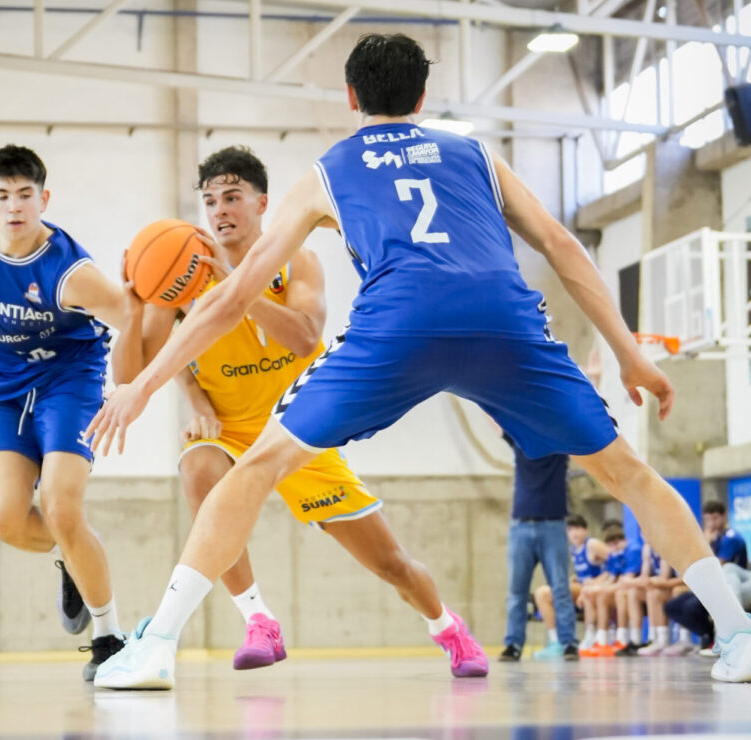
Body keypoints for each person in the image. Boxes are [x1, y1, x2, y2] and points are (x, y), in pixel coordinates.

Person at [87, 33, 751, 688]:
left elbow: (232, 295)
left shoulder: (329, 170)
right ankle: (740, 635)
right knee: (629, 474)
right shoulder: (476, 154)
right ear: (423, 95)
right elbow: (558, 245)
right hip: (504, 321)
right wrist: (628, 352)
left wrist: (144, 385)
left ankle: (159, 645)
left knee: (256, 466)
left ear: (351, 96)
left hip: (397, 325)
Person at [114, 145, 486, 676]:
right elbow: (130, 375)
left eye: (232, 196)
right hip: (231, 430)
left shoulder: (296, 262)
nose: (220, 209)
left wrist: (234, 286)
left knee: (392, 564)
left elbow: (305, 337)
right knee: (198, 469)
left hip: (299, 431)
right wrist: (132, 311)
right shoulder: (184, 278)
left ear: (262, 203)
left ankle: (446, 626)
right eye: (210, 199)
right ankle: (258, 619)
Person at [0, 145, 134, 680]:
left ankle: (108, 638)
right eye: (1, 195)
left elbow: (136, 318)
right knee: (4, 517)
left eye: (25, 194)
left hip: (67, 379)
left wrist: (133, 385)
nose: (13, 206)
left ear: (43, 199)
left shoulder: (73, 273)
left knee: (61, 505)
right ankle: (75, 558)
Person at [497, 437, 577, 662]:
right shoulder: (521, 441)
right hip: (520, 525)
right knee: (516, 592)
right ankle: (513, 644)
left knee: (560, 588)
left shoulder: (560, 444)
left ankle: (569, 642)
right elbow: (496, 415)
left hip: (553, 525)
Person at [664, 500, 749, 656]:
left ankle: (722, 638)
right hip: (710, 586)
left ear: (724, 516)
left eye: (715, 518)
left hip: (730, 585)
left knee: (691, 607)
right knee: (672, 606)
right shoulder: (715, 537)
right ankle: (708, 635)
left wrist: (706, 542)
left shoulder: (731, 537)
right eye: (708, 519)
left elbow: (713, 566)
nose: (711, 523)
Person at [532, 514, 609, 656]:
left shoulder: (592, 545)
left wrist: (597, 581)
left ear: (586, 530)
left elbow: (618, 565)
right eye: (570, 529)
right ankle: (556, 642)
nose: (574, 533)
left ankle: (592, 638)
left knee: (588, 593)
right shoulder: (573, 549)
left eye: (578, 528)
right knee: (543, 593)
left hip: (601, 588)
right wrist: (575, 579)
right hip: (584, 587)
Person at [579, 526, 643, 657]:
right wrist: (596, 585)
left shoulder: (633, 550)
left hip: (635, 588)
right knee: (596, 594)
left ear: (622, 541)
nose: (613, 549)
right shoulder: (615, 553)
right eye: (610, 546)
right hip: (624, 586)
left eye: (615, 544)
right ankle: (600, 639)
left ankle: (622, 637)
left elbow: (628, 578)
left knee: (609, 594)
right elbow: (611, 577)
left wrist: (601, 588)